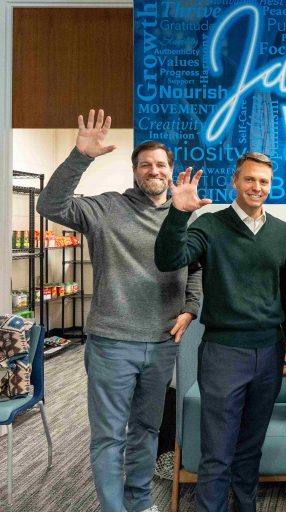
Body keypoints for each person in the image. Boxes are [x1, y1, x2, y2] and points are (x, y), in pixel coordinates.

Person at [36, 109, 202, 512]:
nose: (154, 170)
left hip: (163, 342)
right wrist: (81, 156)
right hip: (111, 343)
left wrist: (192, 308)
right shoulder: (105, 209)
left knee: (145, 430)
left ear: (171, 170)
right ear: (135, 172)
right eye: (145, 165)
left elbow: (196, 268)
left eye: (161, 164)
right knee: (109, 436)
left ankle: (140, 501)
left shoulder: (185, 213)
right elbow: (49, 204)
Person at [154, 152, 286, 512]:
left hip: (269, 351)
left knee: (251, 448)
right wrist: (179, 212)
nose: (257, 187)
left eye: (263, 181)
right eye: (250, 179)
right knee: (217, 452)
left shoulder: (281, 231)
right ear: (235, 181)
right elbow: (168, 259)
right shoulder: (210, 226)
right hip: (223, 352)